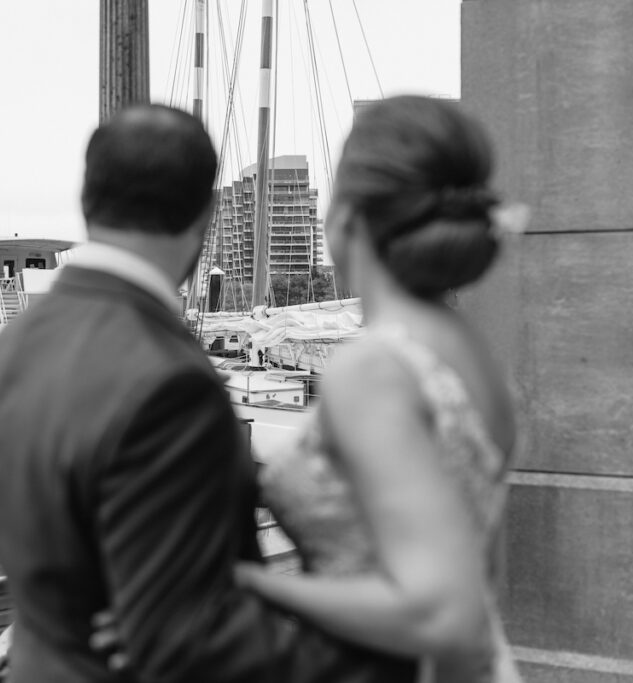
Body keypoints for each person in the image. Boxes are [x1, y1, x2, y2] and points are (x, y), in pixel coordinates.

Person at [0, 104, 416, 683]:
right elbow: (188, 638)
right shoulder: (168, 379)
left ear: (88, 201)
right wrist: (384, 641)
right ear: (206, 215)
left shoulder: (10, 349)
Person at [234, 96, 524, 682]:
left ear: (346, 215)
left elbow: (440, 612)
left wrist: (250, 585)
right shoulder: (469, 351)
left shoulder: (372, 368)